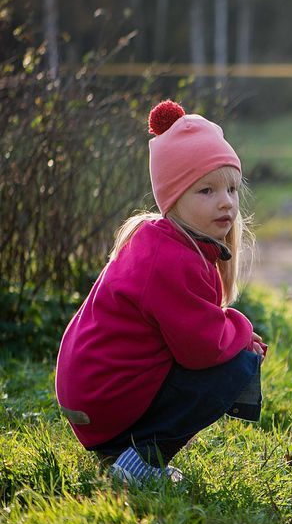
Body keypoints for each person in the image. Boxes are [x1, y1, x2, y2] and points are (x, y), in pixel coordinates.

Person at [55, 100, 267, 485]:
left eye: (232, 189)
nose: (226, 202)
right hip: (104, 404)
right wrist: (240, 330)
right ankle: (138, 462)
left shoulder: (160, 241)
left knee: (232, 352)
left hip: (95, 400)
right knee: (235, 366)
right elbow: (202, 350)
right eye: (206, 190)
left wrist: (231, 333)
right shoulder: (171, 259)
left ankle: (128, 450)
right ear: (173, 199)